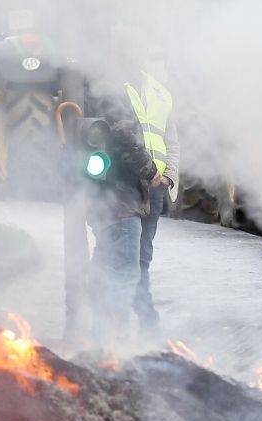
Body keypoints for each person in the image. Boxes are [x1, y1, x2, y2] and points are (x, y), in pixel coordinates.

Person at [82, 80, 160, 347]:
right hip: (122, 202)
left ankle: (99, 338)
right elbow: (126, 137)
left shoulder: (86, 88)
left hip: (101, 204)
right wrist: (151, 172)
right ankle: (116, 342)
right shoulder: (111, 91)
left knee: (104, 267)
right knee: (124, 272)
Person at [127, 49, 180, 334]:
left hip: (156, 188)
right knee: (125, 250)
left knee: (143, 252)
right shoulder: (117, 90)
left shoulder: (161, 93)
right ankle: (143, 314)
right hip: (128, 183)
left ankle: (141, 310)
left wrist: (169, 176)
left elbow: (170, 140)